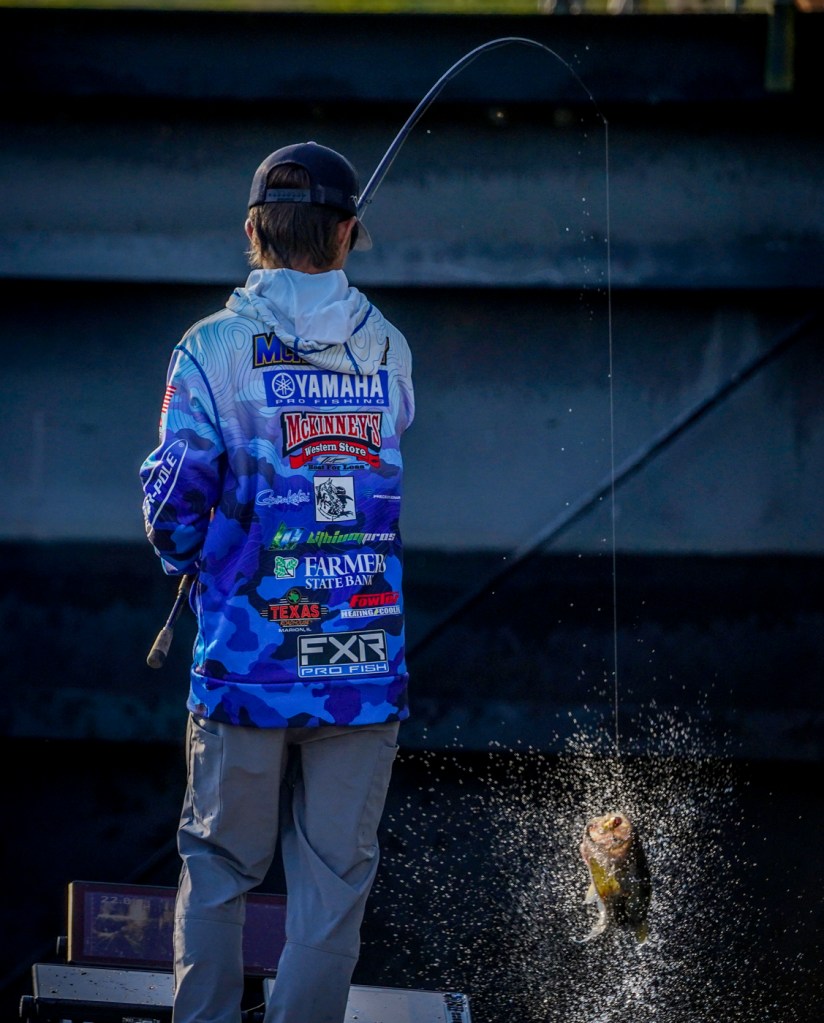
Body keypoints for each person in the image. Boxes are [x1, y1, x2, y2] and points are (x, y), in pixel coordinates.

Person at [139, 140, 415, 1023]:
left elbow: (174, 507)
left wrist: (195, 556)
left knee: (219, 866)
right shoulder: (390, 348)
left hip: (246, 662)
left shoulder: (209, 349)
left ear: (253, 231)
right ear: (347, 233)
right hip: (361, 662)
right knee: (334, 883)